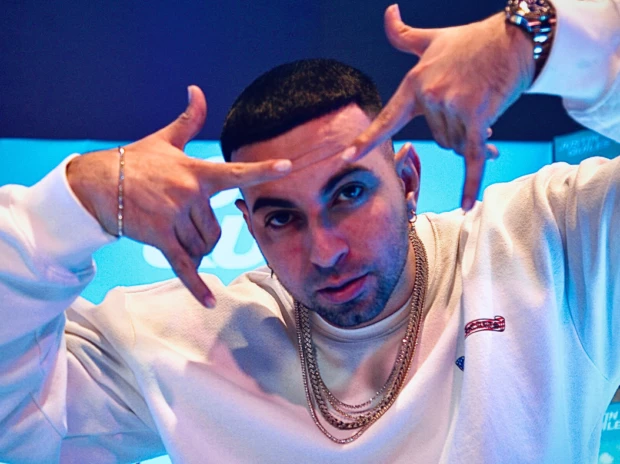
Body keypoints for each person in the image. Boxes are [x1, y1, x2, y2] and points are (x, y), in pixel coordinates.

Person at [0, 1, 618, 463]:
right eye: (281, 218)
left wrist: (539, 35)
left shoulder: (547, 243)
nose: (324, 252)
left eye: (349, 194)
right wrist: (74, 202)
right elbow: (15, 427)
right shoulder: (186, 342)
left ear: (407, 179)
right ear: (249, 225)